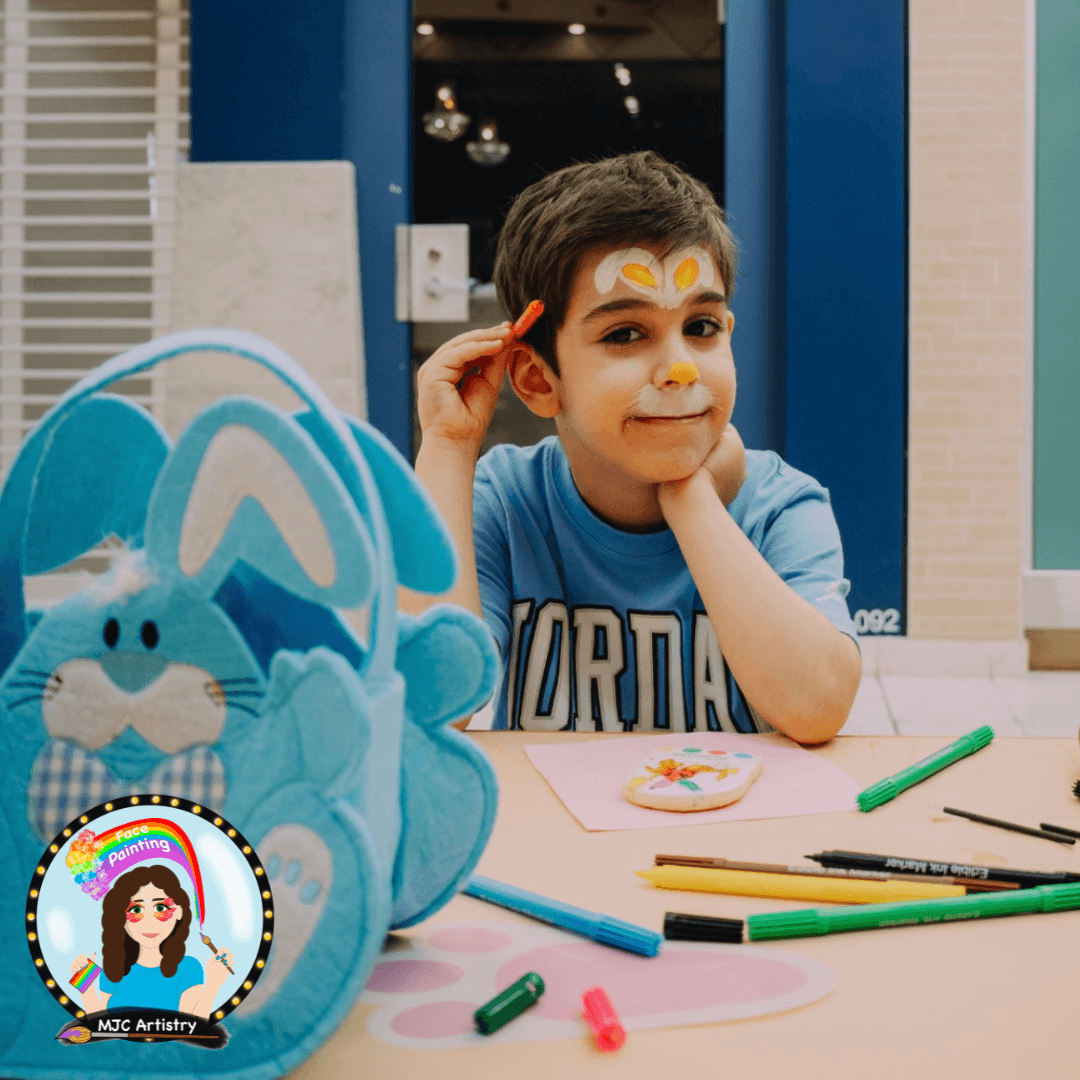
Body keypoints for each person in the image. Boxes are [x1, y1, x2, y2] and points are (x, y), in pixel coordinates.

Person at [405, 151, 861, 744]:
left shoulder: (782, 506)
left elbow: (817, 706)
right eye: (625, 333)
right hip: (560, 834)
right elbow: (427, 708)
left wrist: (690, 498)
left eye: (700, 328)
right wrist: (447, 445)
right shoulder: (502, 501)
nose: (679, 369)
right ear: (539, 380)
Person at [70, 864, 233, 1017]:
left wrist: (213, 984)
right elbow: (101, 1026)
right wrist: (85, 983)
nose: (149, 922)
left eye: (160, 908)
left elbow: (190, 1027)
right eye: (136, 910)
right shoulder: (113, 968)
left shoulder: (189, 969)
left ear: (178, 912)